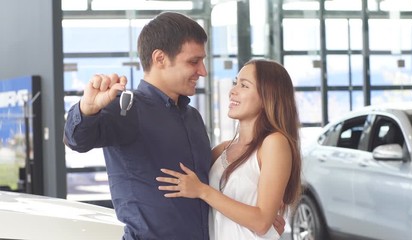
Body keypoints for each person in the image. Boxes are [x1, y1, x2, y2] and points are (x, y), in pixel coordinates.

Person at [63, 12, 212, 239]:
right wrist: (87, 109)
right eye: (194, 61)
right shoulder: (127, 108)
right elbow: (77, 140)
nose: (203, 71)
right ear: (159, 58)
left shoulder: (192, 117)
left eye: (202, 61)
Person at [156, 59, 301, 240]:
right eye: (235, 83)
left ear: (267, 96)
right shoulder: (223, 149)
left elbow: (262, 222)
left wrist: (203, 191)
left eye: (244, 85)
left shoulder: (274, 143)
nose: (233, 91)